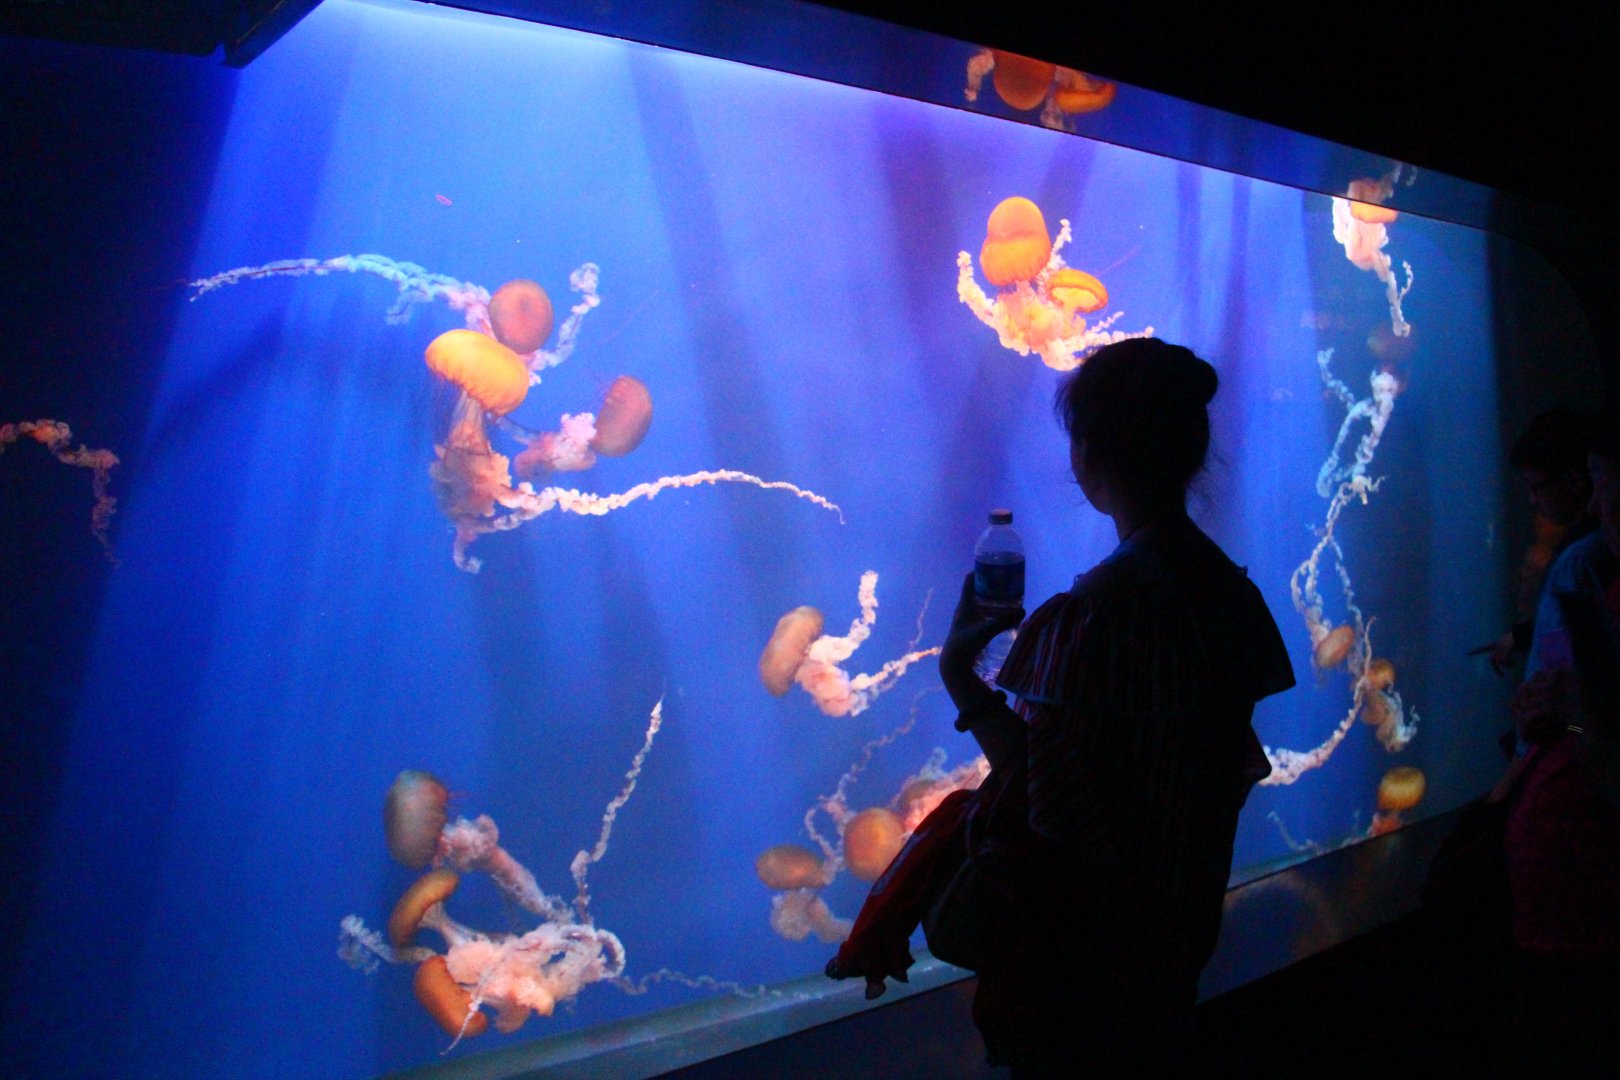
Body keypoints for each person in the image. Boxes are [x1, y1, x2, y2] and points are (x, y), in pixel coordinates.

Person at [830, 338, 1293, 1075]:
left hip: (1082, 962)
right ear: (1192, 450)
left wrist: (960, 674)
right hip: (1179, 931)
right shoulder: (1229, 596)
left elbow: (1046, 797)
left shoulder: (1099, 612)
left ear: (1087, 453)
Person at [1501, 421, 1620, 1073]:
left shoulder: (1582, 564)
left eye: (1608, 484)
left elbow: (1596, 713)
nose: (1602, 504)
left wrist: (1557, 717)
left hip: (1583, 874)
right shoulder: (1578, 560)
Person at [1485, 409, 1597, 676]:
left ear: (1574, 481)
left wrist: (1556, 703)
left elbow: (1572, 648)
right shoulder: (1580, 551)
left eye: (1536, 487)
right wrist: (1523, 637)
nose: (1532, 500)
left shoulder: (1581, 557)